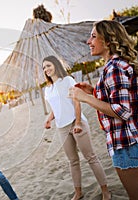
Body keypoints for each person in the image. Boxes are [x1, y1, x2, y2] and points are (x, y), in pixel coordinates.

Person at [69, 20, 138, 199]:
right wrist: (95, 91)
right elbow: (122, 100)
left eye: (93, 36)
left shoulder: (113, 68)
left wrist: (85, 98)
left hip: (128, 145)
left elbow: (122, 111)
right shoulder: (118, 65)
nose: (89, 41)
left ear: (108, 41)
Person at [42, 55, 111, 200]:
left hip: (76, 122)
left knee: (90, 157)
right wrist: (48, 119)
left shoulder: (68, 80)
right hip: (61, 128)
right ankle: (78, 192)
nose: (46, 69)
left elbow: (76, 102)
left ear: (55, 65)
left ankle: (105, 190)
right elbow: (56, 108)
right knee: (72, 161)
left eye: (48, 65)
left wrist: (78, 122)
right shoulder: (47, 89)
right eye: (44, 67)